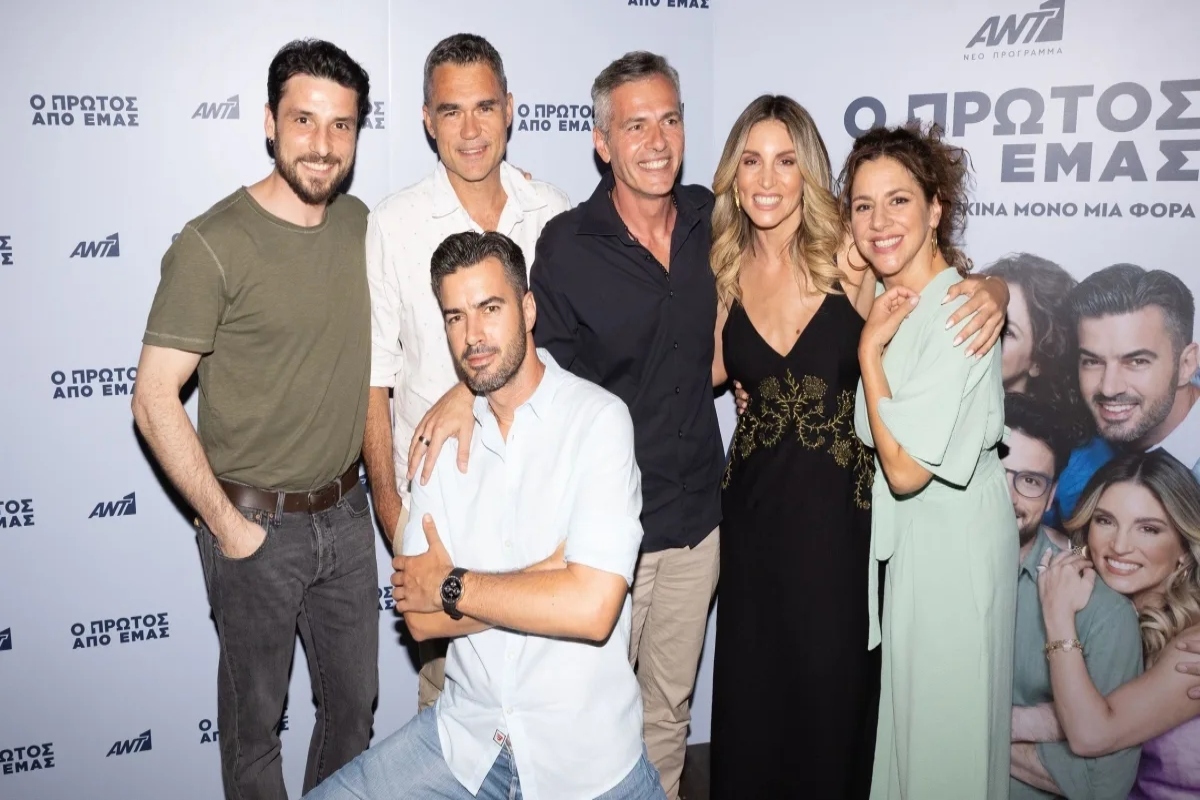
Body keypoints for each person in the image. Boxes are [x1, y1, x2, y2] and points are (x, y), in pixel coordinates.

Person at [407, 51, 710, 797]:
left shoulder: (712, 218)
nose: (656, 141)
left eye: (669, 120)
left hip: (694, 523)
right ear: (602, 142)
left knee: (666, 719)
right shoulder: (568, 245)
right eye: (634, 126)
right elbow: (520, 360)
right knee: (568, 731)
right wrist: (463, 392)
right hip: (594, 535)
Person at [706, 95, 1007, 800]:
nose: (768, 179)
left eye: (786, 160)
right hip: (753, 522)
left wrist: (996, 288)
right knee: (755, 706)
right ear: (732, 177)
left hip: (843, 527)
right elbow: (702, 372)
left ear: (809, 172)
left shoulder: (850, 256)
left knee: (834, 711)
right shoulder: (724, 269)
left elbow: (929, 289)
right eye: (751, 161)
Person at [305, 231, 665, 800]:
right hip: (467, 742)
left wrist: (452, 585)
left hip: (585, 761)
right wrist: (548, 574)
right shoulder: (438, 444)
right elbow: (421, 618)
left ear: (528, 309)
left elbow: (593, 610)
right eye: (455, 316)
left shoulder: (598, 422)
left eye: (489, 308)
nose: (472, 334)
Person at [131, 40, 377, 799]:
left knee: (353, 717)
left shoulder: (360, 224)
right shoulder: (213, 243)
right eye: (304, 120)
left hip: (348, 516)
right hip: (253, 527)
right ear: (270, 122)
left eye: (341, 125)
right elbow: (153, 397)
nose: (323, 144)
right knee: (253, 734)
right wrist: (227, 526)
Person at [361, 32, 570, 712]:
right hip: (444, 516)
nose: (472, 130)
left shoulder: (554, 213)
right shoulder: (393, 225)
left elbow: (570, 347)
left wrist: (465, 390)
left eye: (485, 107)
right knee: (451, 718)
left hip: (544, 503)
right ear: (427, 119)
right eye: (452, 111)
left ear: (510, 108)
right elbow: (374, 380)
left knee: (553, 701)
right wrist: (394, 514)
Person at [847, 121, 1016, 800]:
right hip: (920, 548)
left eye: (899, 201)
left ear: (935, 207)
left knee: (947, 745)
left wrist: (867, 353)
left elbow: (906, 470)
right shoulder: (900, 303)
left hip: (954, 547)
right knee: (918, 742)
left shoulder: (957, 311)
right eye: (863, 205)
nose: (879, 221)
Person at [1002, 393, 1143, 799]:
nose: (1006, 495)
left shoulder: (1101, 611)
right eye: (994, 472)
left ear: (1051, 497)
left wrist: (974, 724)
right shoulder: (921, 573)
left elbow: (1101, 785)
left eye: (1030, 481)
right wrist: (1047, 723)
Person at [1036, 451, 1200, 799]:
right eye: (1105, 521)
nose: (1120, 546)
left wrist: (1058, 617)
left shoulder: (1193, 645)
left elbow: (1090, 734)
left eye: (1148, 529)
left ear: (1185, 549)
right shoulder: (1102, 618)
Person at [1048, 265, 1200, 526]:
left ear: (1186, 365)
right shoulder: (1072, 451)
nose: (1109, 388)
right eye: (1092, 361)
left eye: (1137, 361)